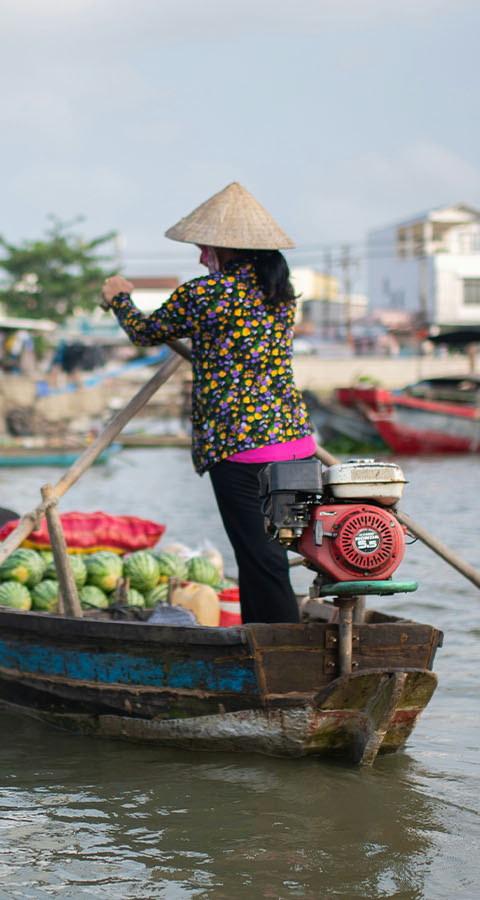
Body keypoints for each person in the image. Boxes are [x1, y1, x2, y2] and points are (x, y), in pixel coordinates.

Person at [99, 182, 315, 624]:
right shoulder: (280, 297)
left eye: (205, 248)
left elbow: (144, 330)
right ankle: (268, 645)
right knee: (274, 560)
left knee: (259, 560)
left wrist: (119, 297)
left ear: (227, 250)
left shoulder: (206, 295)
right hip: (297, 449)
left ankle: (278, 654)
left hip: (243, 451)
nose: (200, 258)